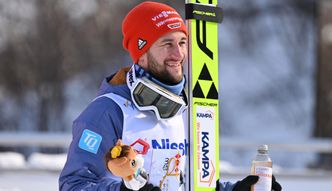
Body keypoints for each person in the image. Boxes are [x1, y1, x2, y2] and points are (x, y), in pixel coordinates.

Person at [59, 1, 282, 191]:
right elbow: (74, 184)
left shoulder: (189, 109)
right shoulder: (107, 111)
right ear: (142, 53)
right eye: (167, 44)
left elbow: (187, 182)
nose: (179, 54)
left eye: (182, 42)